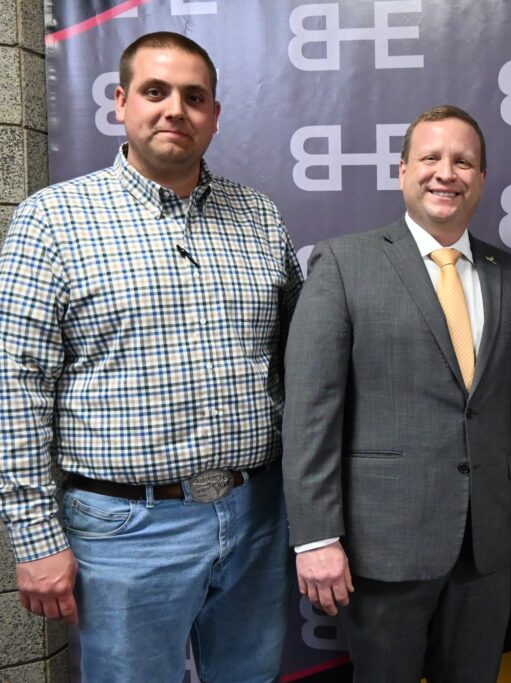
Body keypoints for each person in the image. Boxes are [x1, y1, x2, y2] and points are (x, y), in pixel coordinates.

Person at [0, 31, 302, 681]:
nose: (175, 110)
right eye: (155, 92)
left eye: (194, 97)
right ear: (120, 102)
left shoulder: (259, 217)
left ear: (214, 115)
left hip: (257, 515)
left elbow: (299, 362)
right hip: (126, 530)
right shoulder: (52, 219)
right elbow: (15, 386)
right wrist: (35, 537)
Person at [282, 104, 511, 682]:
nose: (446, 173)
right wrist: (316, 536)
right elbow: (310, 413)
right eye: (430, 158)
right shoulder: (344, 263)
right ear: (402, 171)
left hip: (487, 548)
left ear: (482, 178)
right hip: (382, 548)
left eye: (463, 162)